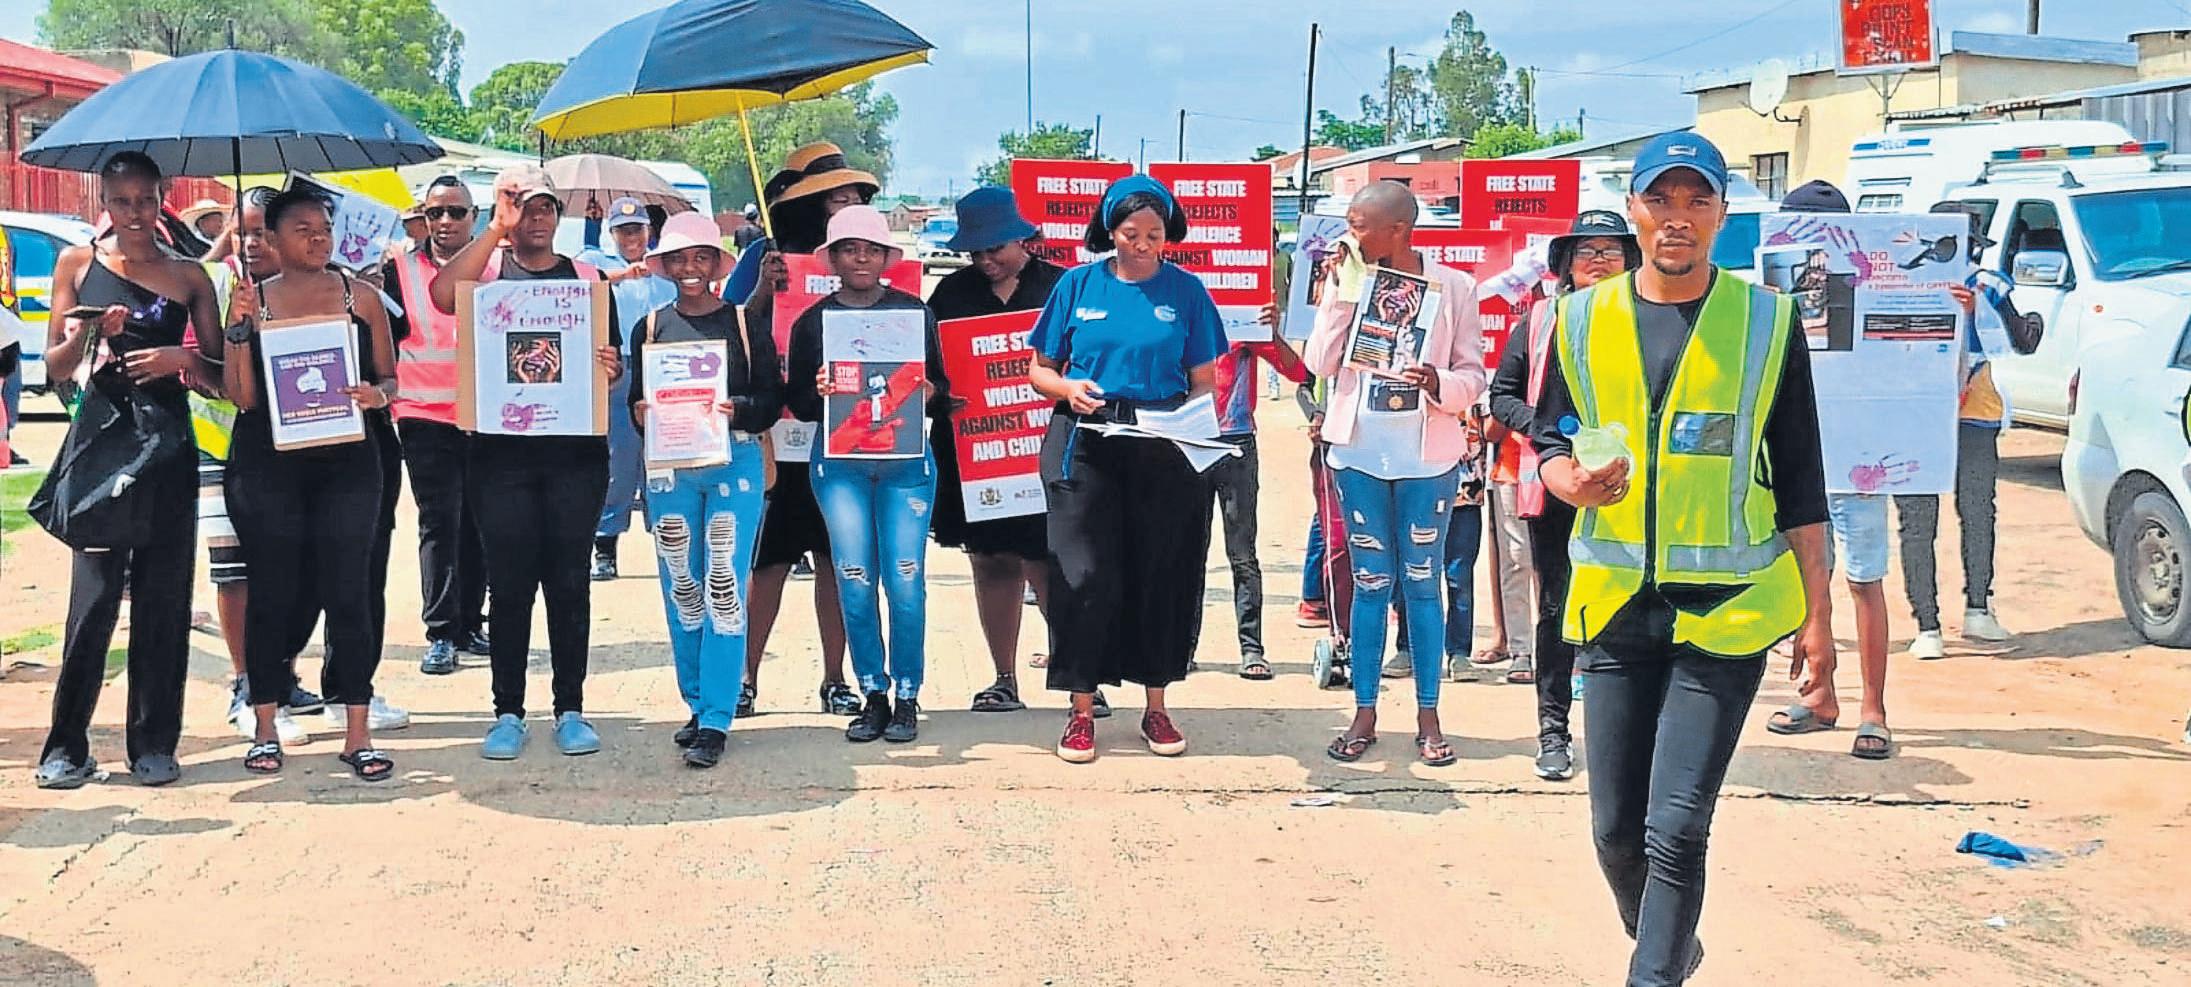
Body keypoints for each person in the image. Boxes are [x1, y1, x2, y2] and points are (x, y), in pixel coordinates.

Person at [1531, 132, 1833, 986]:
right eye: (1659, 200)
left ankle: (1653, 971)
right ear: (1633, 212)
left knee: (1677, 825)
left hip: (1728, 609)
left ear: (1721, 215)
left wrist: (1818, 619)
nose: (1677, 218)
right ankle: (1668, 942)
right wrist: (1567, 479)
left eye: (1696, 200)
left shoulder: (1766, 323)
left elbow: (1801, 480)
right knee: (1614, 833)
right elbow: (1548, 435)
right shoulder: (1579, 319)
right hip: (1615, 605)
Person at [34, 151, 223, 789]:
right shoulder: (77, 263)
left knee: (165, 599)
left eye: (146, 200)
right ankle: (66, 746)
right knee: (93, 601)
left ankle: (154, 743)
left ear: (163, 199)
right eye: (122, 201)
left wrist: (181, 360)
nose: (135, 213)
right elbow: (55, 367)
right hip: (102, 443)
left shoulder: (190, 276)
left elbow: (223, 378)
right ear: (104, 203)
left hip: (166, 444)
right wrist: (91, 335)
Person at [428, 163, 625, 761]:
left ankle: (570, 708)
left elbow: (608, 366)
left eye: (544, 208)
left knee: (568, 583)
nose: (534, 219)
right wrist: (495, 228)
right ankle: (508, 712)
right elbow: (441, 296)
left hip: (575, 457)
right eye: (522, 208)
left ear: (559, 216)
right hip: (499, 457)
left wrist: (610, 369)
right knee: (509, 585)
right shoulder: (485, 275)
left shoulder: (588, 280)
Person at [1027, 175, 1225, 763]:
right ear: (1109, 231)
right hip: (1085, 441)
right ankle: (1081, 710)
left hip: (1163, 444)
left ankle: (1156, 706)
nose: (1142, 244)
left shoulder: (1187, 292)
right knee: (1084, 575)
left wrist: (1188, 425)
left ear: (1169, 235)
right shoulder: (1077, 284)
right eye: (1130, 233)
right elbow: (1039, 369)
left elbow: (1204, 381)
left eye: (1154, 234)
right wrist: (1067, 388)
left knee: (1160, 574)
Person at [1303, 180, 1487, 767]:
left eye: (1359, 225)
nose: (1349, 234)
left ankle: (1429, 717)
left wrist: (1438, 382)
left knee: (1423, 583)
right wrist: (1340, 294)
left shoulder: (1454, 287)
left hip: (1427, 460)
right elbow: (1319, 363)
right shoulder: (1349, 282)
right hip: (1358, 455)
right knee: (1370, 583)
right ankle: (1364, 712)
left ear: (1398, 230)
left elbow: (1473, 375)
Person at [221, 186, 401, 781]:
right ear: (270, 239)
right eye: (302, 230)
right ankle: (265, 725)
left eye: (324, 228)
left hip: (349, 458)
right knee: (274, 589)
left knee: (350, 588)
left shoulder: (360, 296)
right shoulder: (251, 301)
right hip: (269, 462)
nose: (318, 239)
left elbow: (389, 378)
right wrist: (239, 330)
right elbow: (243, 397)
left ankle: (357, 731)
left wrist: (376, 396)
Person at [785, 205, 950, 744]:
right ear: (832, 258)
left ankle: (908, 693)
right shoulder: (813, 322)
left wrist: (929, 392)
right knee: (854, 578)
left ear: (886, 258)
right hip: (840, 467)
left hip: (905, 464)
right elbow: (799, 405)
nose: (861, 259)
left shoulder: (914, 313)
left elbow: (942, 390)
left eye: (872, 250)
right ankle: (873, 691)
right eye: (850, 250)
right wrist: (819, 391)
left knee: (905, 578)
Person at [1487, 208, 1638, 781]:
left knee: (1630, 608)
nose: (1599, 261)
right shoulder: (1540, 321)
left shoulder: (1651, 321)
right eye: (1586, 251)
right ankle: (1553, 731)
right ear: (1566, 265)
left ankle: (1625, 738)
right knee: (1557, 604)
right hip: (1556, 483)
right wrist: (1551, 436)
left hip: (1632, 485)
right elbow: (1502, 396)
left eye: (1610, 250)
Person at [628, 212, 781, 768]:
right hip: (672, 468)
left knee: (725, 583)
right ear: (665, 266)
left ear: (717, 264)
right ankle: (695, 703)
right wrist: (642, 412)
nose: (689, 268)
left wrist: (738, 408)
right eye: (678, 259)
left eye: (700, 258)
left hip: (733, 463)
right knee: (681, 585)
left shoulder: (744, 322)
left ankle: (717, 715)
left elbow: (772, 399)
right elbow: (637, 403)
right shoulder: (649, 328)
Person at [729, 146, 876, 717]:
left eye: (856, 198)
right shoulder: (765, 255)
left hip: (850, 437)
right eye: (837, 198)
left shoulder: (868, 260)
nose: (849, 206)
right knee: (767, 563)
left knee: (837, 561)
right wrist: (765, 287)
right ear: (810, 203)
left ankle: (836, 679)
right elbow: (733, 327)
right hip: (778, 437)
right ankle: (744, 678)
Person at [1760, 180, 1899, 759]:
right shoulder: (1766, 299)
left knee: (1864, 581)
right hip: (1798, 460)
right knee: (1806, 582)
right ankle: (1820, 696)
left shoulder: (1877, 293)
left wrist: (1951, 312)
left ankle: (1874, 710)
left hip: (1859, 461)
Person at [925, 186, 1063, 711]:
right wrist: (940, 397)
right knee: (991, 561)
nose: (985, 260)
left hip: (1047, 449)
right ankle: (1004, 678)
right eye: (975, 252)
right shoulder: (950, 295)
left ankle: (1078, 676)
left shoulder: (1059, 287)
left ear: (1023, 239)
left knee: (1050, 563)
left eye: (995, 249)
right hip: (976, 455)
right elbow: (927, 369)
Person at [1894, 201, 2040, 658]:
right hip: (1927, 413)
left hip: (1962, 413)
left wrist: (1979, 310)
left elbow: (2022, 341)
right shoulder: (1898, 282)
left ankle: (1970, 612)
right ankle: (1935, 622)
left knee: (1968, 513)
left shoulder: (1983, 285)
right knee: (1928, 518)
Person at [387, 175, 493, 676]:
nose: (445, 221)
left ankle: (471, 621)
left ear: (475, 217)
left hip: (485, 413)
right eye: (435, 213)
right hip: (422, 414)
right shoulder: (398, 271)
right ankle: (441, 632)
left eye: (455, 212)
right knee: (439, 521)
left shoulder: (495, 269)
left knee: (479, 521)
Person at [580, 197, 678, 581]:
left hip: (660, 366)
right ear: (612, 233)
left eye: (636, 229)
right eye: (623, 231)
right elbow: (580, 282)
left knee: (663, 457)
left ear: (648, 230)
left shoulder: (664, 267)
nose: (631, 238)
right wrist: (623, 274)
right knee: (618, 459)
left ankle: (668, 539)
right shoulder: (598, 263)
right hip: (617, 369)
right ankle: (605, 545)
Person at [1216, 290, 1309, 681]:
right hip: (1184, 442)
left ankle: (1251, 647)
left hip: (1236, 442)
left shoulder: (1243, 315)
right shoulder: (1173, 307)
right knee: (1183, 552)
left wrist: (1271, 331)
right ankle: (1179, 648)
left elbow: (1298, 372)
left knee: (1242, 553)